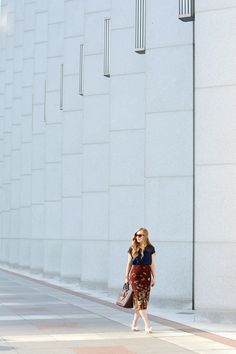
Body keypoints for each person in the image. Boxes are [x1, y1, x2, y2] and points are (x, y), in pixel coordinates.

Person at [124, 227, 156, 333]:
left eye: (140, 235)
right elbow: (129, 263)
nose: (137, 237)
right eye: (136, 235)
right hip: (135, 276)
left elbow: (152, 264)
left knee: (142, 300)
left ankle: (133, 324)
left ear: (145, 236)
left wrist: (154, 277)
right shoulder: (132, 248)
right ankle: (147, 325)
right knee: (141, 300)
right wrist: (126, 277)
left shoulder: (150, 248)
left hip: (146, 276)